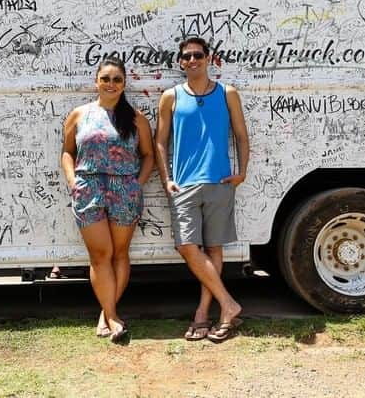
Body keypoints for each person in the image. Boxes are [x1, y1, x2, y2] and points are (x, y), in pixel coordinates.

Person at [154, 36, 249, 342]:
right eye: (186, 56)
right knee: (186, 246)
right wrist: (166, 178)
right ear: (180, 63)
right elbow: (160, 141)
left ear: (209, 58)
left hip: (219, 182)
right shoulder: (171, 96)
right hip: (184, 185)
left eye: (197, 55)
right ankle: (229, 303)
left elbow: (241, 136)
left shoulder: (227, 93)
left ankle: (204, 314)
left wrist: (241, 173)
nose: (192, 60)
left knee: (214, 249)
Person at [60, 57, 155, 344]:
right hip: (89, 188)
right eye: (106, 78)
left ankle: (107, 313)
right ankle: (112, 315)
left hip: (124, 189)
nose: (111, 84)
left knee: (120, 253)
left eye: (116, 79)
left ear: (124, 84)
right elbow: (67, 152)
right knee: (100, 255)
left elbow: (148, 155)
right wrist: (73, 181)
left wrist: (137, 184)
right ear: (96, 82)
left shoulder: (136, 118)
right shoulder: (79, 115)